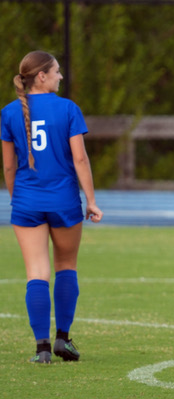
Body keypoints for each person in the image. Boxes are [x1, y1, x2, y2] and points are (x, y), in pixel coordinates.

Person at [1, 51, 103, 364]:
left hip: (28, 202)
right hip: (64, 202)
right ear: (41, 76)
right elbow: (80, 159)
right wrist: (91, 200)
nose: (61, 77)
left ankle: (41, 348)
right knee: (66, 266)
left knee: (37, 273)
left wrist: (18, 198)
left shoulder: (8, 113)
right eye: (57, 72)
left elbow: (8, 166)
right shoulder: (69, 109)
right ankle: (63, 339)